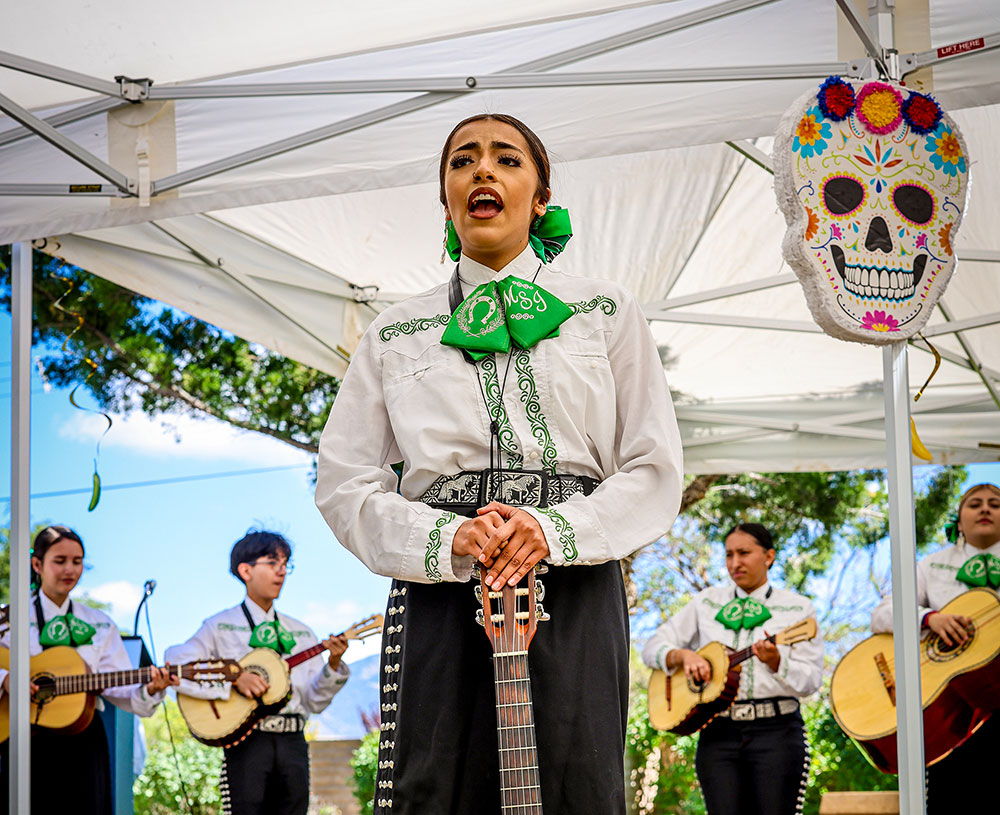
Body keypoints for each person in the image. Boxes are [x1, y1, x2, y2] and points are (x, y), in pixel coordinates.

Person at [315, 113, 684, 815]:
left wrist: (556, 529)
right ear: (448, 197)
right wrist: (444, 536)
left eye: (506, 159)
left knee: (578, 785)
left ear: (540, 196)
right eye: (463, 161)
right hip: (443, 584)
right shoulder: (396, 329)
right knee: (440, 785)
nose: (482, 170)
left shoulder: (603, 310)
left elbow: (653, 466)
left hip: (574, 584)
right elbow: (343, 483)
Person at [642, 523, 823, 815]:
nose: (734, 562)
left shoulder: (798, 609)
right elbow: (652, 646)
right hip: (718, 733)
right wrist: (683, 657)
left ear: (769, 556)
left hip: (777, 734)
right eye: (728, 554)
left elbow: (811, 681)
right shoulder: (706, 602)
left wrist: (777, 661)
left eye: (744, 553)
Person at [164, 530, 350, 815]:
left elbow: (315, 701)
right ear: (245, 570)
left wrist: (334, 664)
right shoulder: (219, 625)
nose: (282, 571)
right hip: (247, 741)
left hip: (293, 743)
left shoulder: (300, 632)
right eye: (273, 563)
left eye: (286, 564)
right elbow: (178, 662)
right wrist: (234, 678)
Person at [0, 525, 177, 815]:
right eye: (60, 561)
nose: (69, 569)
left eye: (77, 561)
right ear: (37, 564)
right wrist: (7, 680)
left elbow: (120, 688)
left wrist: (151, 688)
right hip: (21, 736)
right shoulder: (9, 617)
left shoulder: (99, 623)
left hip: (83, 739)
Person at [871, 482, 1000, 813]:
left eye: (995, 504)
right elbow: (883, 614)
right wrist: (929, 619)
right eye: (974, 504)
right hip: (949, 712)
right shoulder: (930, 566)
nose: (985, 509)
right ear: (958, 521)